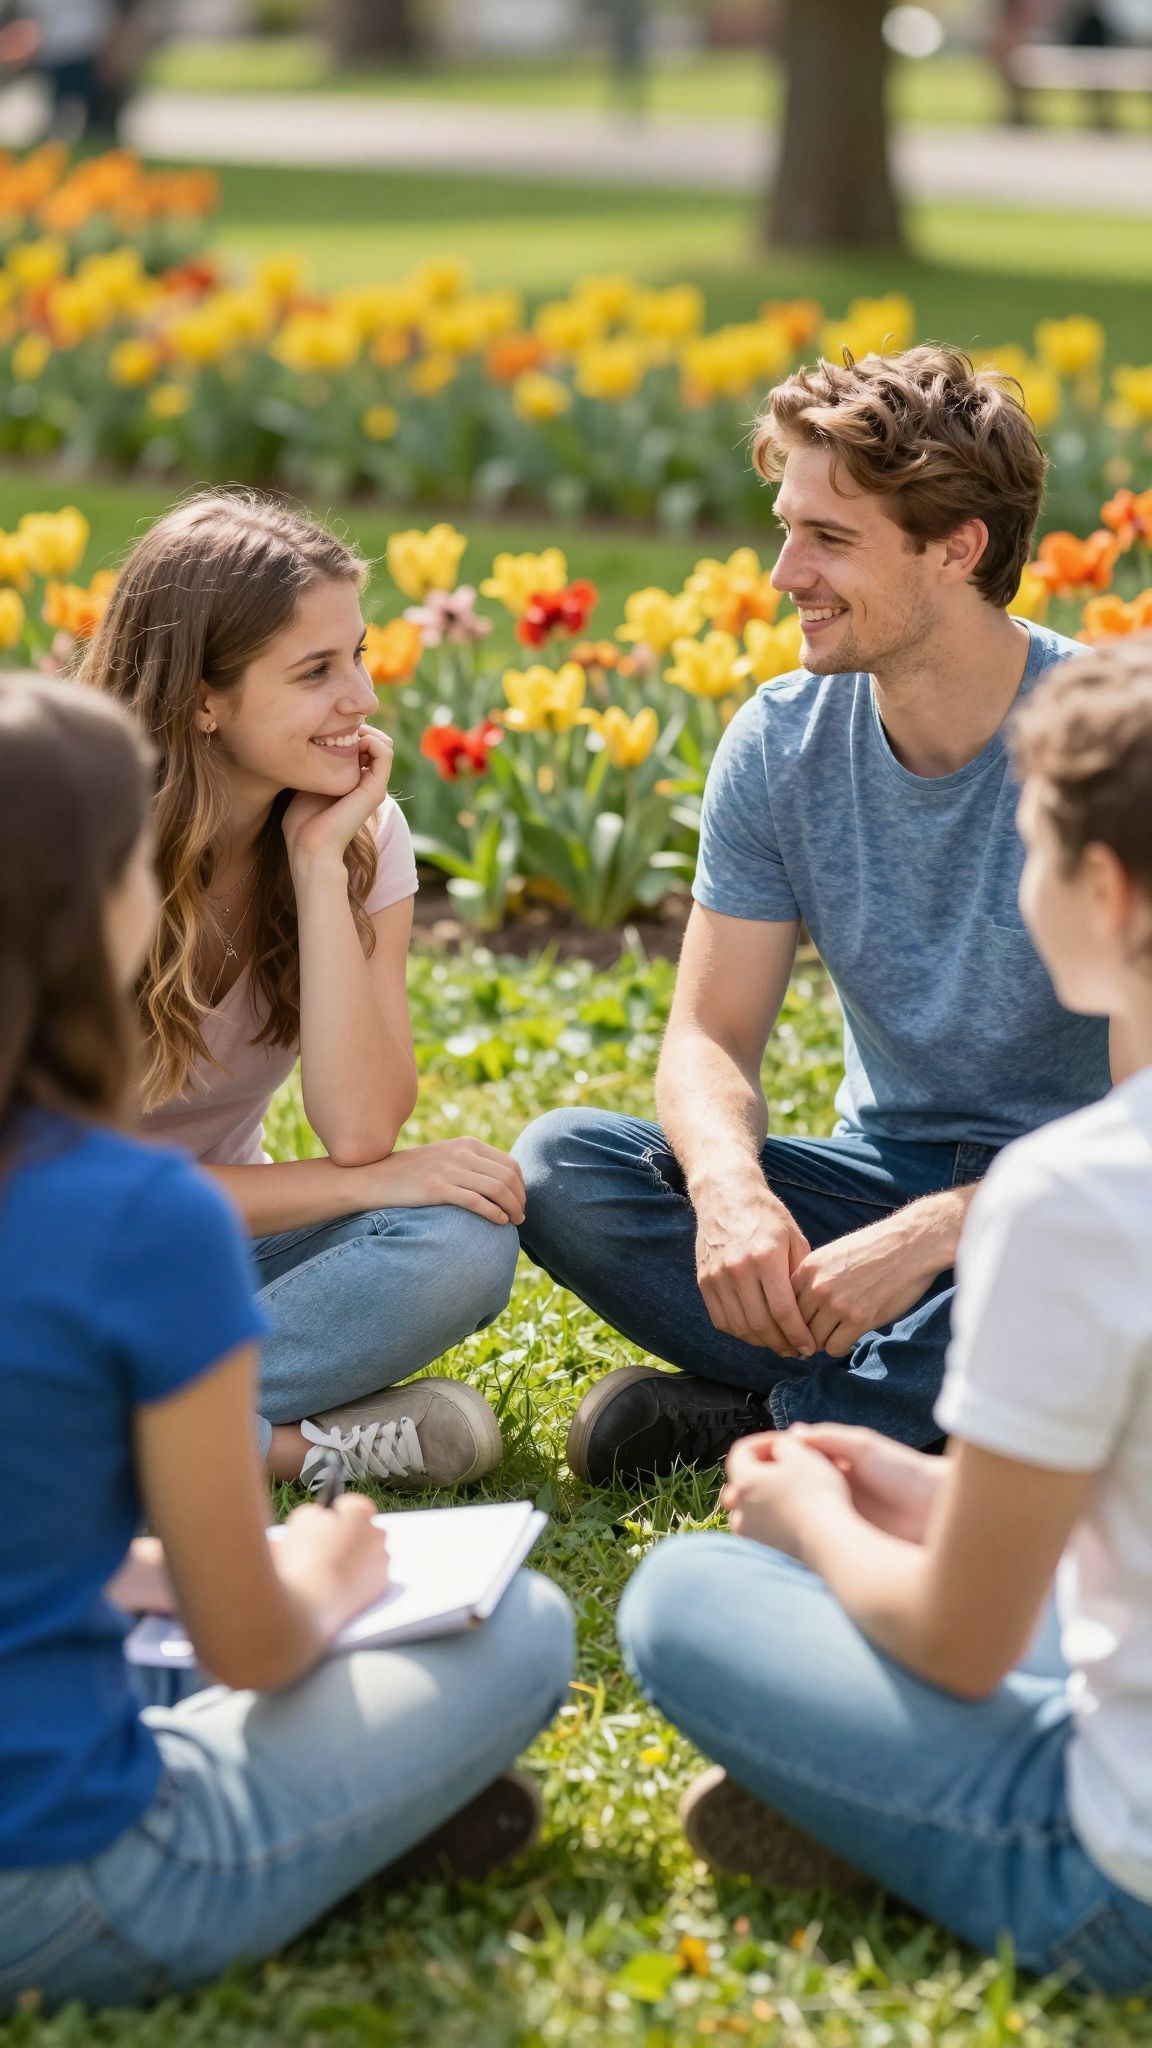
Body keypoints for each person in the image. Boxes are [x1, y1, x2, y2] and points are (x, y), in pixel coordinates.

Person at [0, 674, 574, 2015]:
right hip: (71, 1886)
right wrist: (313, 1569)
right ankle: (356, 1826)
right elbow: (256, 1645)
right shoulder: (134, 1218)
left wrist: (132, 1572)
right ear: (105, 909)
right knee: (524, 1627)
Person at [616, 638, 1152, 1993]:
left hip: (1118, 1880)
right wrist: (926, 1493)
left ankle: (887, 1822)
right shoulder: (787, 739)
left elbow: (963, 1640)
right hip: (903, 1238)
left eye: (1029, 852)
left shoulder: (1078, 1198)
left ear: (1101, 888)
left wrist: (813, 1520)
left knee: (685, 1593)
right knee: (590, 1162)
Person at [515, 345, 1111, 1486]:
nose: (786, 571)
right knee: (564, 1169)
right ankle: (909, 1415)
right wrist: (732, 1192)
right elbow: (706, 1037)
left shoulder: (1109, 749)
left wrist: (943, 1233)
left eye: (829, 540)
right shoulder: (781, 742)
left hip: (1073, 1199)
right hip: (870, 1179)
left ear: (956, 550)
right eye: (786, 527)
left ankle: (774, 1425)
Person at [80, 491, 524, 1493]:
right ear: (204, 696)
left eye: (359, 655)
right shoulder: (66, 851)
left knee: (460, 1236)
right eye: (317, 671)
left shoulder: (360, 836)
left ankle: (111, 1431)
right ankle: (282, 1448)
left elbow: (363, 1125)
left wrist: (322, 869)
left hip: (201, 1263)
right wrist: (360, 1186)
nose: (362, 698)